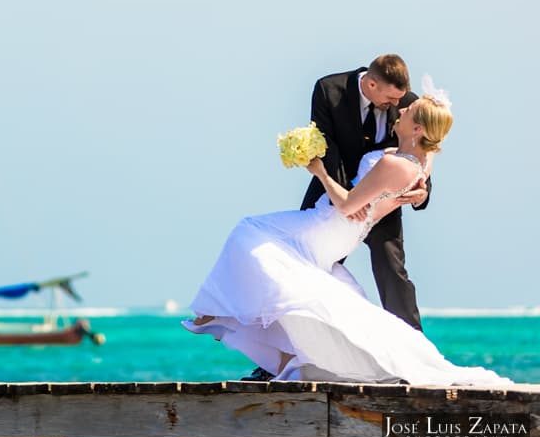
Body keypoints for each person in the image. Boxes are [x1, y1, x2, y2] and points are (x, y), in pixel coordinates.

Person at [182, 89, 510, 385]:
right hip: (346, 233)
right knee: (285, 277)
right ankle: (277, 353)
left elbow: (347, 204)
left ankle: (223, 312)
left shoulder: (396, 164)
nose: (400, 112)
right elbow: (428, 153)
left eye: (408, 114)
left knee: (249, 233)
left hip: (329, 225)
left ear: (418, 129)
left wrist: (319, 170)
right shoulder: (419, 165)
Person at [301, 54, 429, 332]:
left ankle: (414, 353)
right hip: (333, 197)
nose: (397, 106)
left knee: (392, 271)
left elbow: (421, 149)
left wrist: (422, 192)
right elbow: (328, 148)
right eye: (391, 99)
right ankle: (287, 357)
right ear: (371, 84)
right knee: (307, 269)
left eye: (401, 100)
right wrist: (348, 199)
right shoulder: (328, 90)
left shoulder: (408, 103)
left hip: (383, 204)